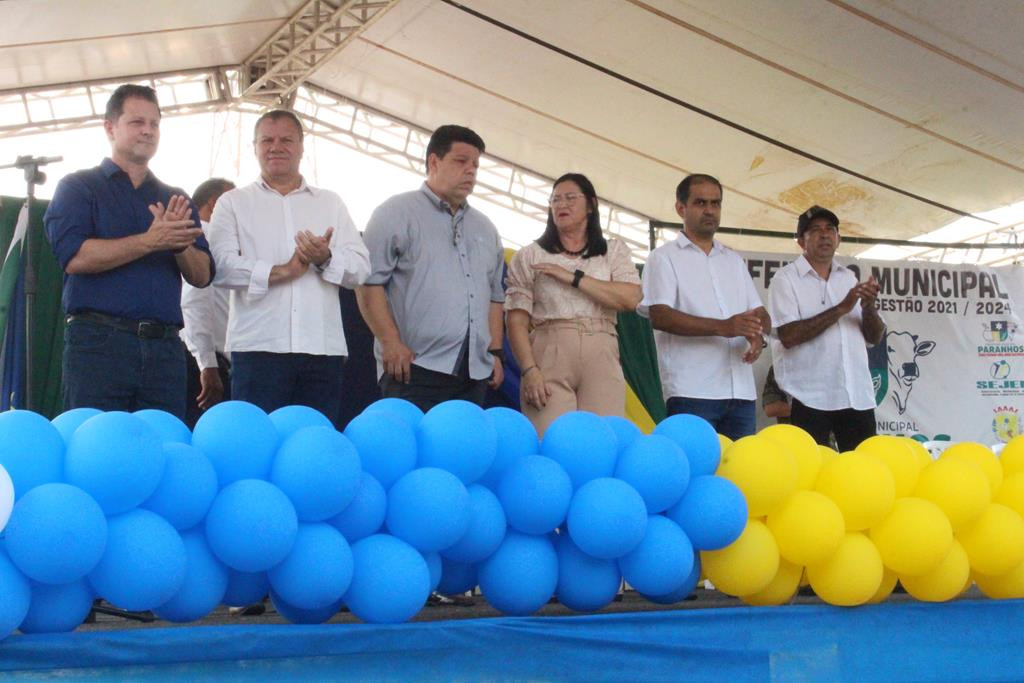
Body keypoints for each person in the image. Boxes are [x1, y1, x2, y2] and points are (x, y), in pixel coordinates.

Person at [44, 84, 213, 419]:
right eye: (137, 122)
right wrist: (151, 241)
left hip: (165, 348)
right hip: (99, 343)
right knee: (95, 449)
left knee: (161, 448)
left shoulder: (174, 197)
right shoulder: (79, 187)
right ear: (110, 127)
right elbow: (76, 257)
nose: (148, 130)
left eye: (154, 123)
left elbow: (203, 275)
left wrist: (179, 245)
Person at [208, 110, 370, 425]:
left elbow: (362, 268)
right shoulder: (233, 203)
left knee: (314, 449)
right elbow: (220, 268)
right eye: (267, 140)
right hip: (258, 348)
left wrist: (326, 258)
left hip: (321, 350)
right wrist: (282, 271)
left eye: (286, 140)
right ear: (254, 147)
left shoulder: (330, 202)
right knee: (255, 446)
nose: (276, 147)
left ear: (301, 147)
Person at [357, 125, 505, 412]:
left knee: (462, 456)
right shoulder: (395, 212)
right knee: (408, 454)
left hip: (473, 373)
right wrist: (390, 343)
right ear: (433, 162)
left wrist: (495, 353)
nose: (471, 171)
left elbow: (495, 297)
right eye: (461, 162)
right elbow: (367, 283)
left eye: (475, 164)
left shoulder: (486, 228)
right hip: (413, 366)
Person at [504, 173, 641, 436]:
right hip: (550, 347)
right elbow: (516, 321)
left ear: (591, 205)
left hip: (602, 345)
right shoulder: (529, 255)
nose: (561, 205)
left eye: (569, 198)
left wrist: (574, 278)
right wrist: (529, 369)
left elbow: (630, 298)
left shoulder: (613, 251)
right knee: (549, 438)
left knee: (603, 440)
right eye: (555, 200)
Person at [638, 173, 771, 440]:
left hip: (741, 392)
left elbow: (759, 313)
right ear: (680, 208)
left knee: (740, 474)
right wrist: (724, 327)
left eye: (716, 203)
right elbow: (660, 315)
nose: (710, 210)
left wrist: (757, 333)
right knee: (694, 474)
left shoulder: (733, 260)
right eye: (700, 203)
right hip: (692, 391)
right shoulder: (663, 258)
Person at [768, 205, 885, 451]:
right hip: (809, 397)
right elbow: (788, 336)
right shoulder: (785, 279)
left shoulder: (848, 278)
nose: (825, 235)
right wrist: (843, 307)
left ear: (838, 238)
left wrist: (869, 307)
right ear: (801, 241)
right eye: (815, 230)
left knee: (861, 474)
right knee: (811, 473)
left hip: (856, 396)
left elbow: (874, 337)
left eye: (830, 229)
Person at [181, 177, 235, 428]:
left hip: (202, 356)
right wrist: (208, 365)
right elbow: (194, 300)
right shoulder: (209, 234)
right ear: (215, 204)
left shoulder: (194, 236)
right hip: (205, 362)